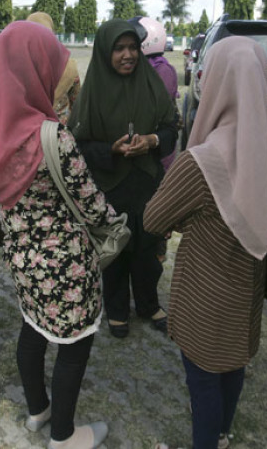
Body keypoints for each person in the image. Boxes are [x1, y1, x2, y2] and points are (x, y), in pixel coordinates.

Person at [0, 21, 113, 449]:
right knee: (74, 344)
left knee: (33, 330)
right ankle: (64, 436)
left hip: (23, 262)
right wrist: (116, 219)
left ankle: (38, 411)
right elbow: (90, 204)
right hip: (66, 266)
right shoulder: (53, 137)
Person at [144, 36, 267, 449]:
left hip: (206, 290)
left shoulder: (202, 159)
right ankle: (223, 431)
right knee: (233, 363)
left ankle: (208, 440)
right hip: (247, 285)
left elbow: (154, 218)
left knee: (203, 377)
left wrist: (189, 217)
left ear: (218, 80)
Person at [67, 19, 178, 339]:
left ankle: (147, 303)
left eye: (133, 47)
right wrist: (110, 150)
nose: (128, 55)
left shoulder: (152, 83)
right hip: (109, 187)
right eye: (119, 49)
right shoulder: (93, 93)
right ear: (105, 52)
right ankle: (116, 309)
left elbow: (171, 129)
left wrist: (153, 141)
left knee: (148, 250)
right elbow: (78, 147)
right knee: (114, 252)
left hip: (147, 183)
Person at [128, 16, 180, 263]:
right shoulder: (142, 66)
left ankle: (155, 261)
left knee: (154, 221)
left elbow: (150, 113)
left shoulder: (161, 69)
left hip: (159, 156)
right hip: (140, 156)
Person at [27, 11, 82, 126]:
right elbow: (77, 104)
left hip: (27, 136)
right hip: (60, 135)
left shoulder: (17, 68)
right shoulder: (69, 67)